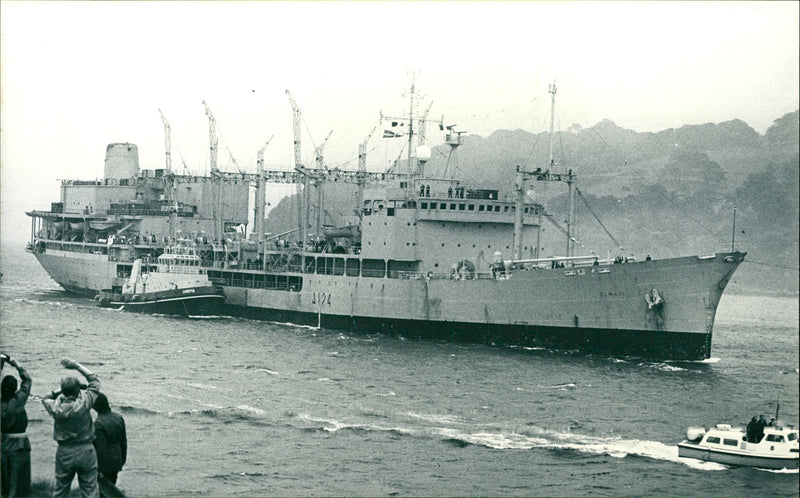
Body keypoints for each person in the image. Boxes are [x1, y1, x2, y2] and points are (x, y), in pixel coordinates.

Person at [42, 358, 101, 498]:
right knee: (90, 490)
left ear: (63, 391)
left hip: (64, 451)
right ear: (77, 392)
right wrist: (76, 366)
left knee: (60, 490)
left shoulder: (55, 408)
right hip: (86, 449)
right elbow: (94, 381)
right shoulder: (84, 404)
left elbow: (45, 398)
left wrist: (59, 390)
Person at [1, 354, 32, 498]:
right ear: (15, 388)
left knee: (4, 482)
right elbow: (27, 379)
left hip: (2, 443)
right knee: (18, 482)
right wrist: (16, 364)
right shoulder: (19, 400)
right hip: (19, 444)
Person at [92, 393, 127, 489]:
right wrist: (122, 460)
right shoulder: (119, 418)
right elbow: (124, 443)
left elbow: (101, 450)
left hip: (105, 465)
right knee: (111, 488)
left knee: (102, 492)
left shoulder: (98, 424)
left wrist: (99, 470)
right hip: (117, 459)